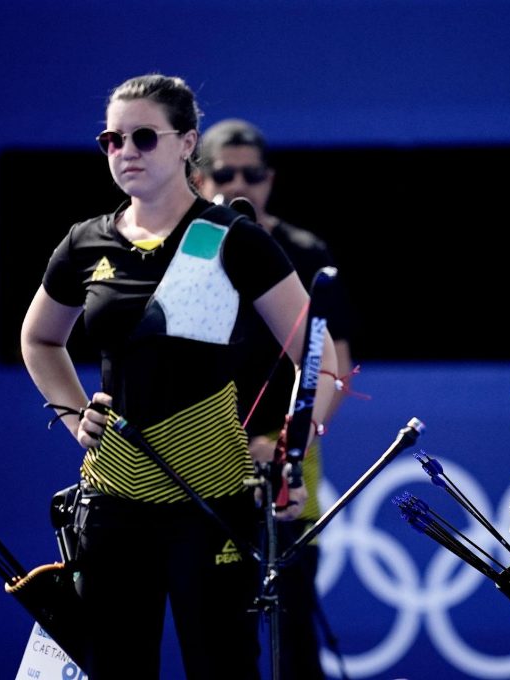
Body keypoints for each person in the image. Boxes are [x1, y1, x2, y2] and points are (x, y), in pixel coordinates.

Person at [20, 74, 337, 680]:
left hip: (212, 500)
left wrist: (290, 457)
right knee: (113, 667)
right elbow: (39, 338)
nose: (125, 152)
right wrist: (72, 414)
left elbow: (318, 358)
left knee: (222, 668)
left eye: (143, 137)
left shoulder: (235, 240)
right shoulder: (84, 241)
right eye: (112, 139)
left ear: (188, 142)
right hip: (112, 499)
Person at [193, 118, 356, 680]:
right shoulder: (187, 254)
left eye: (252, 173)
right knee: (217, 616)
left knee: (292, 606)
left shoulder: (306, 252)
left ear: (270, 179)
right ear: (197, 178)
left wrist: (293, 440)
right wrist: (227, 443)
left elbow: (335, 359)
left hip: (289, 451)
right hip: (201, 455)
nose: (239, 183)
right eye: (223, 173)